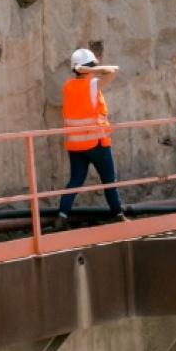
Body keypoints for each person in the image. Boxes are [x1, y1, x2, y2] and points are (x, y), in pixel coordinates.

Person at [56, 48, 126, 227]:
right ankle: (118, 214)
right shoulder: (92, 85)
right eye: (92, 66)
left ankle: (62, 215)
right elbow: (114, 71)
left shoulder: (67, 86)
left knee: (75, 180)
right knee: (109, 180)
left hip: (76, 145)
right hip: (96, 143)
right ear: (86, 69)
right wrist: (91, 71)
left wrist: (84, 70)